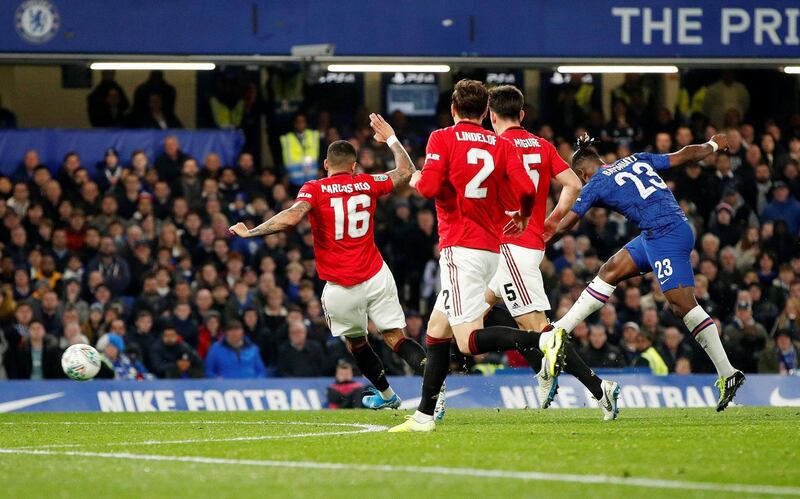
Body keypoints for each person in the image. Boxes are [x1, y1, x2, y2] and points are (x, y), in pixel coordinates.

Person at [390, 79, 555, 433]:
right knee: (437, 329)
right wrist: (524, 216)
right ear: (485, 112)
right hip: (491, 250)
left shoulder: (442, 138)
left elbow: (431, 188)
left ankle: (542, 340)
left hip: (459, 248)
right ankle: (424, 416)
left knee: (467, 341)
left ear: (453, 110)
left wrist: (418, 180)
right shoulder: (500, 143)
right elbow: (528, 188)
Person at [230, 117, 429, 410]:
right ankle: (433, 392)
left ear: (326, 164)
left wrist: (252, 231)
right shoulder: (367, 182)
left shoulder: (315, 189)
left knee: (356, 343)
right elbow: (407, 172)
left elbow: (291, 217)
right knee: (395, 337)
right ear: (353, 166)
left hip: (340, 284)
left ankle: (388, 396)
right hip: (375, 274)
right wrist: (391, 139)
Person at [549, 132, 745, 411]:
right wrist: (713, 144)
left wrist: (540, 244)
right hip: (658, 233)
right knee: (611, 270)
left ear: (581, 173)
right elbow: (685, 154)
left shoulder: (594, 183)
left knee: (683, 306)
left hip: (665, 234)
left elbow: (567, 224)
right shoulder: (636, 158)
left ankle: (728, 373)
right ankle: (561, 330)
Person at [482, 85, 620, 417]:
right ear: (523, 115)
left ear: (490, 116)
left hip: (510, 246)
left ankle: (600, 389)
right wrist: (552, 221)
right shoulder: (542, 145)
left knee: (540, 331)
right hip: (526, 244)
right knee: (474, 315)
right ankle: (541, 372)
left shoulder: (495, 145)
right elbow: (573, 184)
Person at [280, 113, 320, 189]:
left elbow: (321, 154)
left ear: (306, 123)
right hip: (294, 181)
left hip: (313, 179)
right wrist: (284, 175)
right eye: (298, 122)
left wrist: (321, 169)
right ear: (295, 124)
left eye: (303, 122)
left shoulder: (314, 135)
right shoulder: (287, 139)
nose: (301, 124)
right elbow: (281, 159)